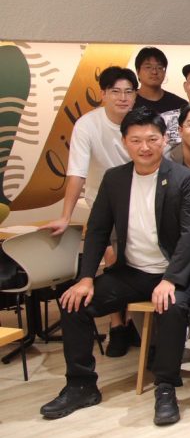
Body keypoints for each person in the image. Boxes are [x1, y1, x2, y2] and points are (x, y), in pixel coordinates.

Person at [40, 107, 190, 425]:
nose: (145, 147)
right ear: (125, 142)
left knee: (171, 308)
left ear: (164, 139)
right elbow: (98, 230)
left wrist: (170, 279)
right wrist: (86, 278)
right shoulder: (115, 179)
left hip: (172, 273)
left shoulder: (185, 180)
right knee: (74, 303)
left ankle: (166, 386)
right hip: (131, 272)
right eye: (136, 140)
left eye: (152, 139)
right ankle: (81, 385)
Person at [42, 66, 139, 354]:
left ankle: (135, 322)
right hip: (103, 203)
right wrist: (66, 216)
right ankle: (117, 325)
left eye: (128, 92)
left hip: (140, 202)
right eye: (115, 92)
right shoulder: (88, 124)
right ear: (103, 94)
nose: (122, 98)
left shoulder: (141, 122)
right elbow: (77, 172)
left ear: (135, 95)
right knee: (112, 259)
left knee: (137, 262)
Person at [133, 47, 186, 113]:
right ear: (138, 71)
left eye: (159, 67)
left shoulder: (179, 105)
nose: (154, 72)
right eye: (148, 67)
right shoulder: (128, 102)